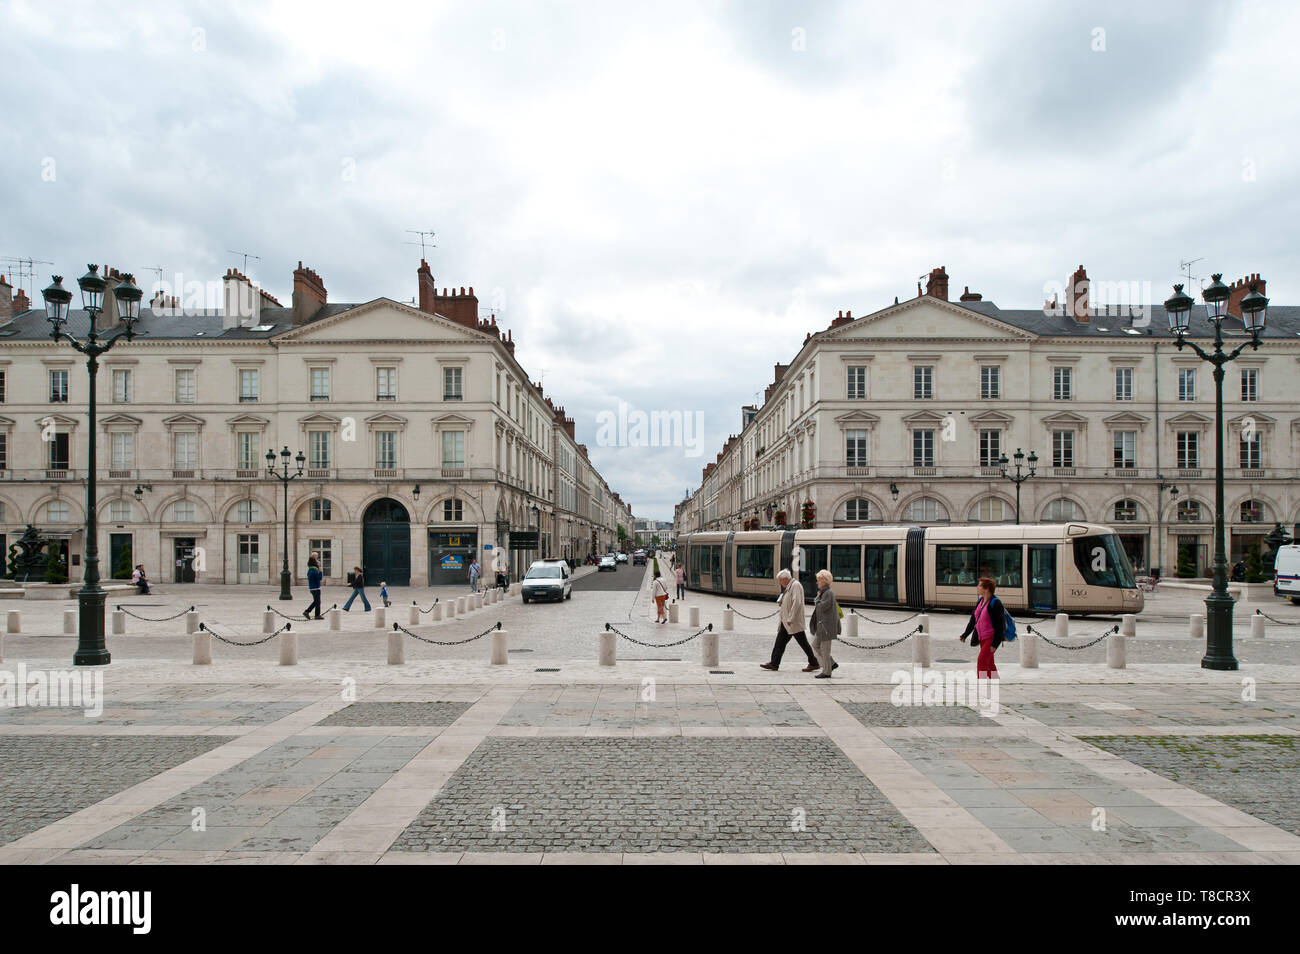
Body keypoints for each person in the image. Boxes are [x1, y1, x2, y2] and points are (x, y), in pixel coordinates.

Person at [761, 569, 820, 672]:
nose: (779, 583)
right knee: (780, 642)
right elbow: (790, 601)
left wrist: (791, 618)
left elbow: (796, 602)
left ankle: (814, 663)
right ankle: (774, 663)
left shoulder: (795, 585)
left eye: (780, 580)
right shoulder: (790, 586)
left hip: (792, 622)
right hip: (786, 622)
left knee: (803, 643)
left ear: (785, 579)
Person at [959, 577, 1005, 679]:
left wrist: (995, 644)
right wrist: (965, 634)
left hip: (991, 637)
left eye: (980, 585)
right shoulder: (980, 601)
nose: (977, 587)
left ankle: (982, 683)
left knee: (982, 660)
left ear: (987, 588)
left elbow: (1000, 625)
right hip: (982, 637)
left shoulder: (995, 603)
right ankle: (995, 680)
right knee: (989, 662)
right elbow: (973, 620)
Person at [809, 568, 840, 678]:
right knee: (815, 645)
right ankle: (831, 663)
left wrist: (817, 599)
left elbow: (822, 607)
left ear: (823, 581)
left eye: (818, 580)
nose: (817, 582)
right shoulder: (825, 592)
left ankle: (827, 672)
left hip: (826, 627)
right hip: (822, 626)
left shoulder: (828, 593)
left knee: (825, 650)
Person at [303, 554, 323, 620]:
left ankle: (308, 612)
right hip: (316, 588)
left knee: (317, 601)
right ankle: (314, 614)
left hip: (312, 588)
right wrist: (320, 572)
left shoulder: (309, 570)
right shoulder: (314, 571)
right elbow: (319, 578)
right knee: (317, 602)